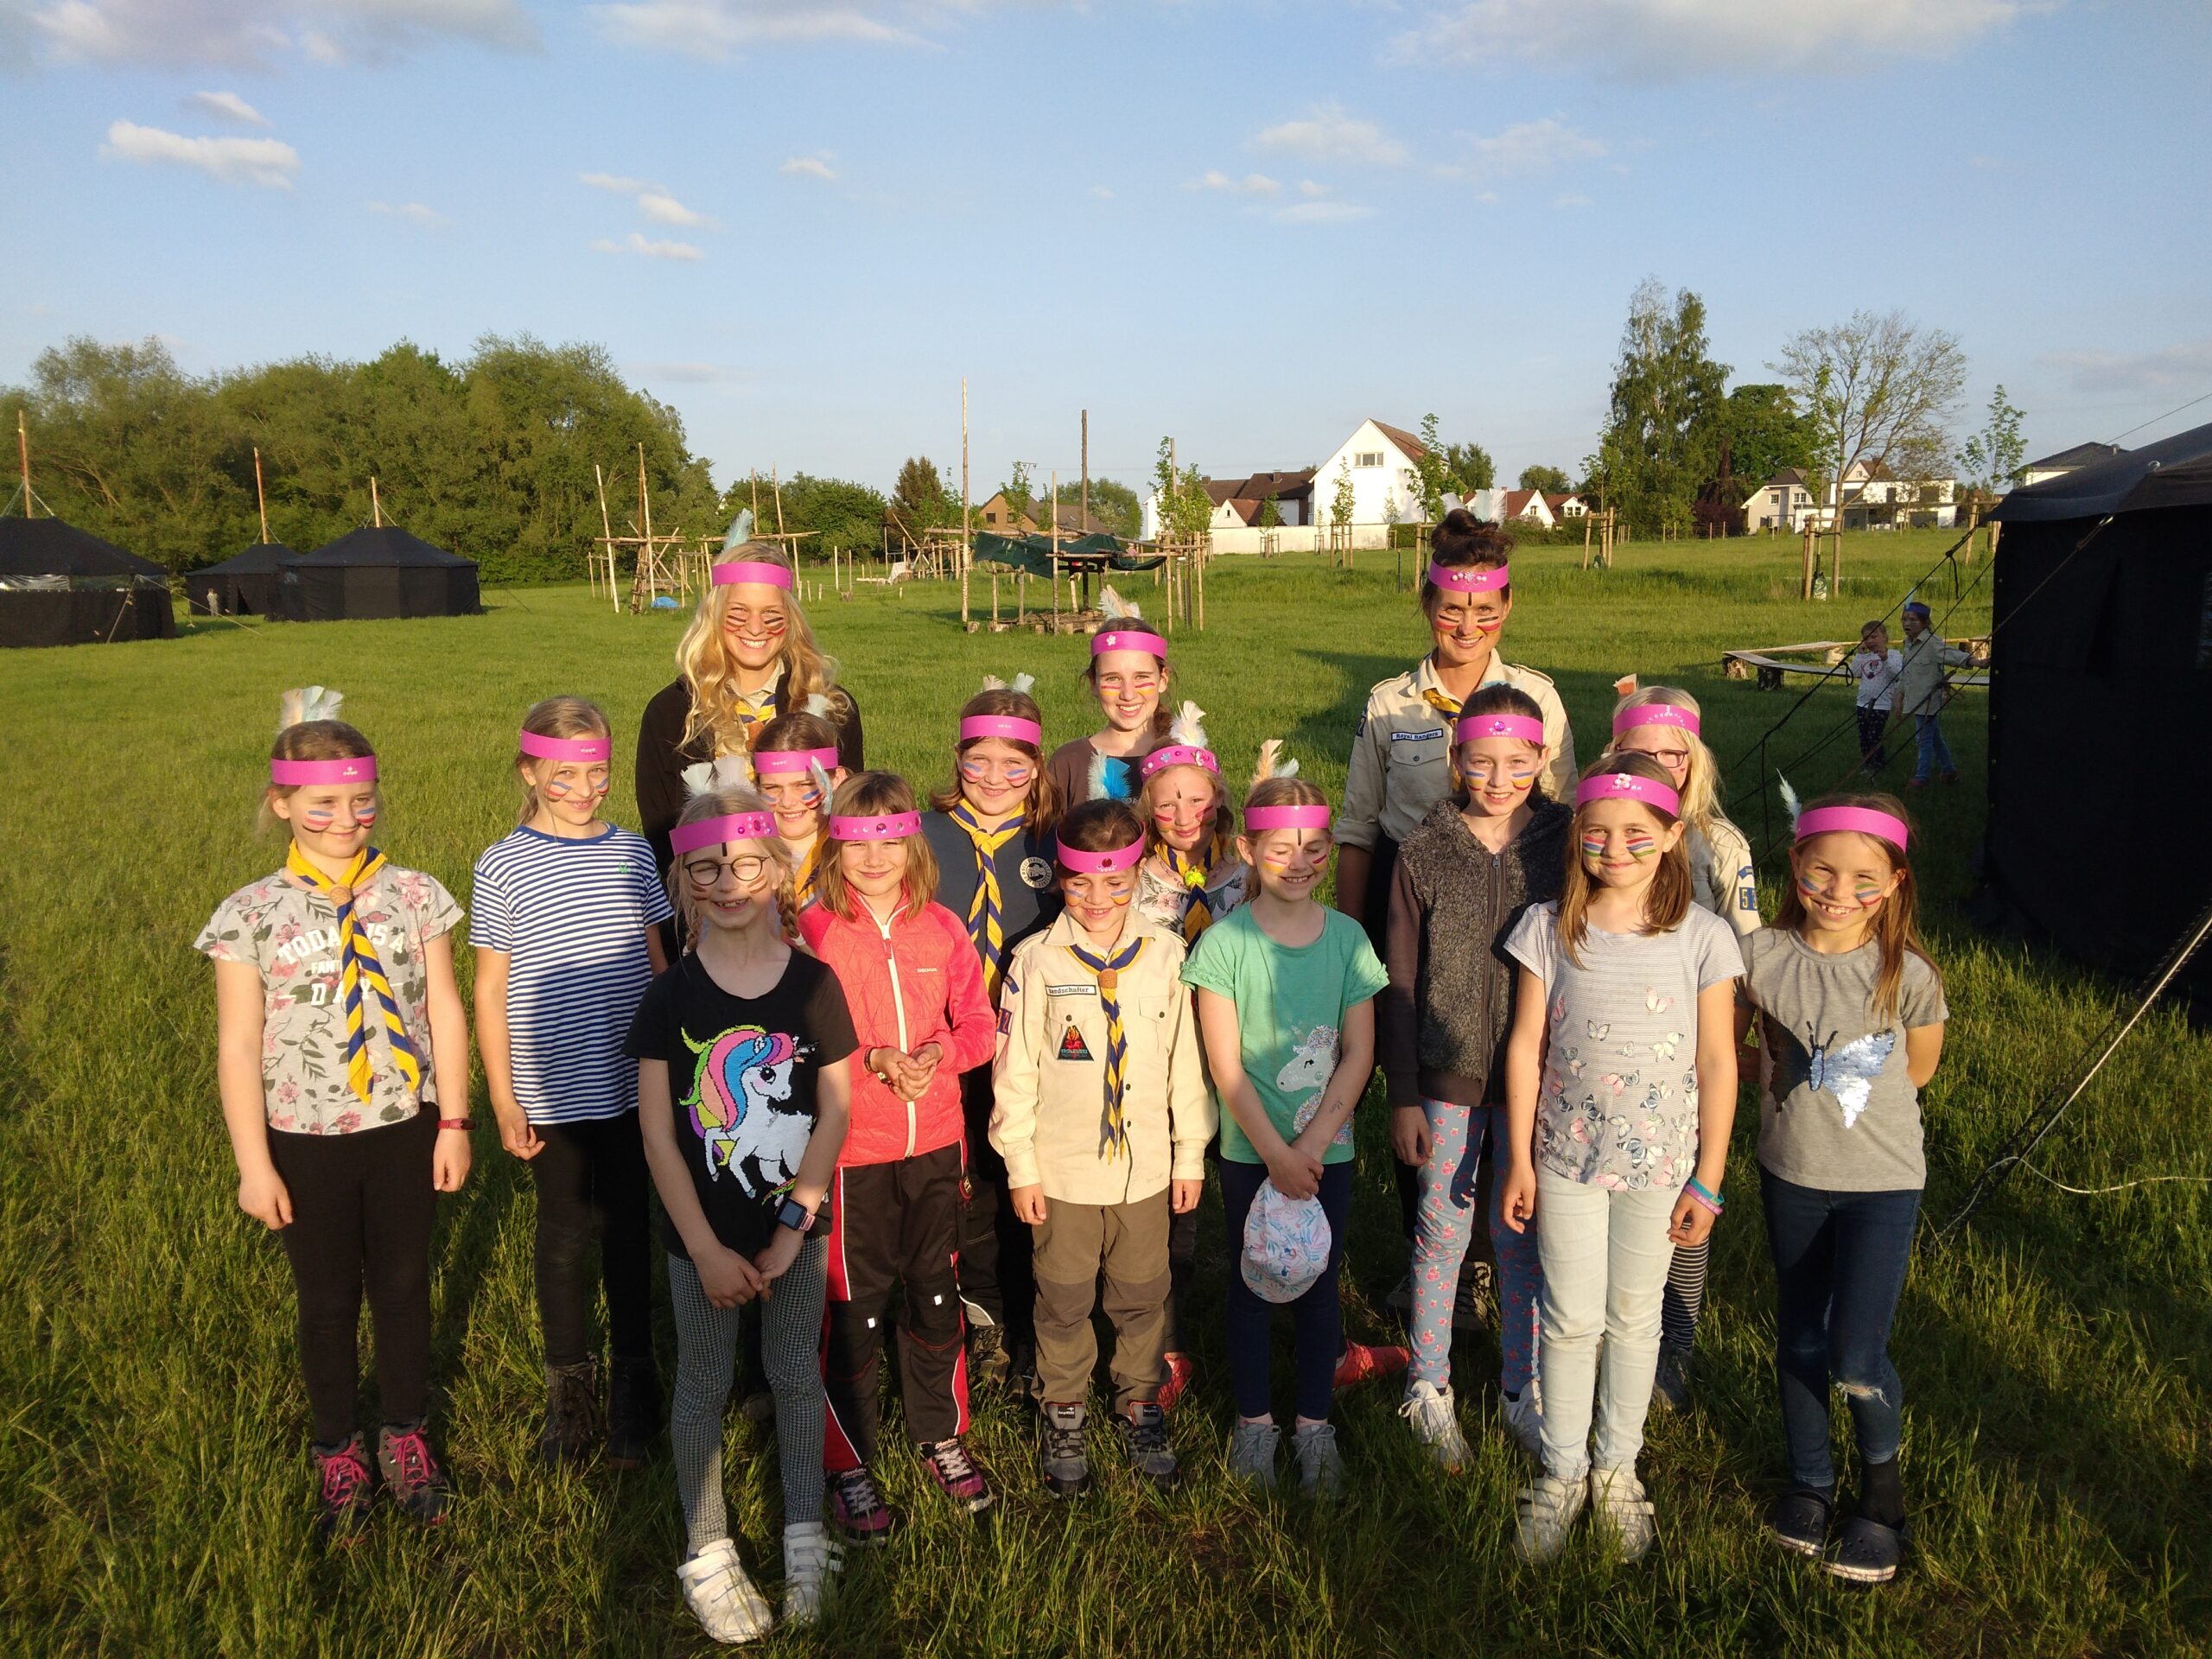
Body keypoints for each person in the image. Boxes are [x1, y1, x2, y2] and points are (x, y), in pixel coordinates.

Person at [195, 690, 470, 1543]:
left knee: (403, 1288)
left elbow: (445, 1011)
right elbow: (239, 1045)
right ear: (281, 803)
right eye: (323, 804)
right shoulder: (249, 915)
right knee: (324, 1299)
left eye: (362, 801)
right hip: (303, 1140)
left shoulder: (416, 895)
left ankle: (405, 1433)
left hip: (405, 1130)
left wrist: (455, 1122)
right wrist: (254, 1165)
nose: (347, 820)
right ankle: (337, 1449)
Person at [1499, 754, 1743, 1564]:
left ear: (1672, 835)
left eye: (1637, 833)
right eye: (1597, 832)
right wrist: (1522, 1161)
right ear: (1578, 835)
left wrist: (1709, 1177)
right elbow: (1526, 1045)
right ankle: (1562, 1473)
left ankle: (1616, 1472)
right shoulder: (1546, 927)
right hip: (1564, 1160)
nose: (1614, 848)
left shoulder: (1704, 937)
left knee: (1634, 1320)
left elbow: (1719, 1061)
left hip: (1662, 1169)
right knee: (1569, 1320)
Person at [629, 789, 853, 1639]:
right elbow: (659, 1133)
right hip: (703, 1244)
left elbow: (834, 1110)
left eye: (748, 864)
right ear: (682, 880)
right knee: (705, 1382)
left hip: (796, 1235)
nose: (729, 884)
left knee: (794, 1373)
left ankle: (804, 1534)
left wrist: (795, 1227)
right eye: (706, 870)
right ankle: (707, 1550)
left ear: (778, 870)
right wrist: (703, 1248)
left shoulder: (815, 983)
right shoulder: (670, 998)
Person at [1336, 512, 1577, 1290]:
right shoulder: (1389, 704)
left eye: (1485, 610)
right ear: (1426, 602)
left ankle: (1498, 1251)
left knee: (1517, 1071)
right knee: (1418, 1077)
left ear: (1507, 607)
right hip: (1414, 909)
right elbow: (1359, 828)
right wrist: (1348, 943)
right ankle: (1432, 1249)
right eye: (1451, 608)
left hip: (1520, 906)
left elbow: (1565, 818)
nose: (1467, 625)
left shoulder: (1540, 697)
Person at [1746, 796, 1947, 1586]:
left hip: (1882, 1186)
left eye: (1864, 878)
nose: (1838, 890)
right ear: (1795, 863)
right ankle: (1810, 1483)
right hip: (1791, 1175)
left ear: (1895, 883)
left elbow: (1917, 1070)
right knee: (1799, 1335)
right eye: (1822, 869)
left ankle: (1882, 1499)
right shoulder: (1758, 956)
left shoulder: (1910, 975)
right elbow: (1731, 1050)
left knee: (1856, 1356)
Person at [471, 697, 672, 1467]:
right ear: (529, 773)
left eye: (597, 773)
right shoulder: (502, 864)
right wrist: (502, 1096)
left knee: (627, 1228)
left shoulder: (632, 854)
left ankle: (633, 1385)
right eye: (564, 776)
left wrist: (669, 1065)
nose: (585, 790)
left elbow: (658, 964)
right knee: (562, 1234)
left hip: (629, 1082)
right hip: (550, 1087)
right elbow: (491, 988)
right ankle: (570, 1392)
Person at [990, 799, 1212, 1495]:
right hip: (1062, 1172)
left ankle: (1139, 1401)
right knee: (1061, 1297)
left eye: (1115, 884)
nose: (1097, 900)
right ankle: (1063, 1406)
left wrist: (1189, 1154)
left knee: (1144, 1294)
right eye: (1080, 883)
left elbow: (1185, 1066)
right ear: (1060, 876)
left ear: (1138, 875)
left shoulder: (1167, 956)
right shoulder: (1034, 961)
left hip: (1145, 1171)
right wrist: (1021, 1167)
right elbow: (1015, 1071)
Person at [798, 772, 1000, 1537]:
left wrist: (939, 1056)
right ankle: (846, 1458)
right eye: (858, 842)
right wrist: (872, 1060)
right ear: (834, 848)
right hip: (851, 1154)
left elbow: (979, 1024)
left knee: (935, 1295)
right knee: (854, 1309)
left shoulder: (942, 927)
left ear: (913, 844)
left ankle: (940, 1433)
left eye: (890, 840)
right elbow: (799, 1042)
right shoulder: (814, 930)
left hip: (937, 1146)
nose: (875, 857)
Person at [1184, 771, 1389, 1497]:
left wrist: (1309, 1149)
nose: (1299, 862)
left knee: (1319, 1287)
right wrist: (1275, 1153)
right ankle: (1254, 1424)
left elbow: (1359, 1053)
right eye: (1280, 849)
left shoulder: (1349, 940)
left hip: (1327, 1154)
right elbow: (1226, 1066)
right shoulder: (1224, 945)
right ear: (1247, 850)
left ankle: (1313, 1426)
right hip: (1252, 1155)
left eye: (1314, 848)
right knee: (1253, 1285)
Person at [1382, 687, 1568, 1471]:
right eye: (1481, 763)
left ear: (1542, 758)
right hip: (1444, 1082)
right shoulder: (1424, 849)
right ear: (1457, 759)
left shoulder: (1567, 843)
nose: (1499, 780)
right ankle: (1429, 1386)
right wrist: (1402, 1095)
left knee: (1521, 1236)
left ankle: (1523, 1388)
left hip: (1542, 1081)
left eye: (1517, 764)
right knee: (1441, 1233)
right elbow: (1398, 980)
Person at [1606, 683, 1759, 1410]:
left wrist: (1729, 1046)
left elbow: (1748, 959)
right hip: (1615, 1048)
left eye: (1675, 754)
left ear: (1695, 759)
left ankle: (1677, 1340)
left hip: (1695, 1050)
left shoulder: (1721, 845)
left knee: (1687, 1199)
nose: (1661, 765)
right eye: (1641, 752)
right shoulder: (1602, 828)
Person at [920, 676, 1064, 1390]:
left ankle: (1042, 1322)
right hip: (950, 1041)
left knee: (1031, 1177)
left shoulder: (1055, 841)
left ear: (1036, 767)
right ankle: (986, 1319)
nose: (995, 778)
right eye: (978, 761)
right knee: (971, 1182)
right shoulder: (921, 835)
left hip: (1034, 1048)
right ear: (957, 759)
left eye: (1014, 764)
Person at [637, 539, 864, 950]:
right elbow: (663, 838)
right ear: (715, 615)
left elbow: (848, 815)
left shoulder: (833, 708)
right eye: (738, 614)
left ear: (790, 619)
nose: (755, 629)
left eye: (771, 615)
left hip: (823, 918)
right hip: (713, 922)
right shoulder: (670, 713)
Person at [1128, 701, 1249, 1408]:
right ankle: (1169, 1342)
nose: (1182, 814)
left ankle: (1252, 1320)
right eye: (1167, 801)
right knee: (1169, 1202)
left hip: (1236, 1057)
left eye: (1197, 799)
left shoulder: (1244, 875)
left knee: (1241, 1190)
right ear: (1147, 807)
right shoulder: (1133, 878)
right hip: (1159, 1057)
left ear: (1219, 801)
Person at [1044, 588, 1170, 807]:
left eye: (1141, 677)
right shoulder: (1068, 763)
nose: (1128, 694)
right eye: (1113, 678)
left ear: (1163, 679)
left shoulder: (1186, 756)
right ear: (1093, 683)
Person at [747, 705, 848, 914]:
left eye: (803, 785)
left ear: (836, 780)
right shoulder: (741, 856)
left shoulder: (856, 854)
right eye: (772, 788)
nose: (787, 801)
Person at [1893, 601, 1973, 788]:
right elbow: (1905, 674)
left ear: (1924, 623)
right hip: (1915, 700)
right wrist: (1899, 698)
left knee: (1923, 740)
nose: (1907, 623)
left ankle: (1922, 776)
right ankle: (1949, 770)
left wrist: (1974, 661)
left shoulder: (1931, 643)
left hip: (1927, 701)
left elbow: (1952, 655)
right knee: (1934, 737)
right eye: (1904, 619)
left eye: (1913, 620)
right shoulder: (1908, 644)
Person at [1848, 623, 1903, 779]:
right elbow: (1854, 673)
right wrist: (1860, 654)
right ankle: (1867, 764)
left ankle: (1878, 764)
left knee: (1875, 736)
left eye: (1874, 636)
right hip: (1862, 703)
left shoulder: (1894, 655)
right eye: (1866, 638)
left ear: (1884, 637)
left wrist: (1884, 658)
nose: (1870, 641)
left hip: (1881, 705)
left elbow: (1898, 674)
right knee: (1864, 737)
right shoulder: (1865, 657)